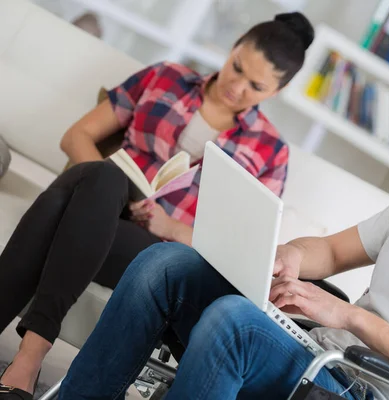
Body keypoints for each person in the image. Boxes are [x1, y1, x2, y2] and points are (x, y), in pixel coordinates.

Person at [58, 79, 389, 400]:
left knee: (235, 323)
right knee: (165, 264)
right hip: (318, 355)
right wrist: (288, 256)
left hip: (363, 390)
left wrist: (349, 316)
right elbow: (330, 252)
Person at [0, 12, 314, 399]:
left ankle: (30, 358)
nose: (237, 86)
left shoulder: (270, 151)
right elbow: (77, 136)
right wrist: (115, 190)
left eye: (256, 86)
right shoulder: (166, 77)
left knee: (60, 210)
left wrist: (170, 228)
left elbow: (240, 247)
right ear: (233, 49)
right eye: (236, 68)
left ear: (275, 93)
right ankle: (27, 364)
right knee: (106, 177)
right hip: (103, 206)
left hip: (158, 253)